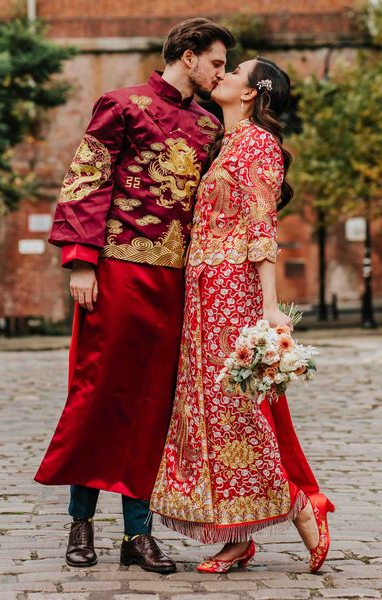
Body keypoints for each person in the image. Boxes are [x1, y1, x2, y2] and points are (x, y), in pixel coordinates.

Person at [34, 18, 236, 573]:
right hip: (118, 273)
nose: (220, 73)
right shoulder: (121, 104)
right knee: (98, 396)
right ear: (189, 55)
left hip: (175, 283)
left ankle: (137, 535)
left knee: (155, 405)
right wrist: (81, 261)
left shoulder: (207, 123)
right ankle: (80, 524)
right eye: (216, 61)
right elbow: (87, 179)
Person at [150, 57, 335, 574]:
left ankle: (301, 505)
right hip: (202, 292)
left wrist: (271, 307)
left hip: (233, 291)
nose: (223, 75)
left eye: (234, 73)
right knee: (205, 412)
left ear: (252, 93)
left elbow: (261, 229)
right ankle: (236, 537)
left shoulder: (258, 145)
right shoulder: (224, 143)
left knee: (239, 410)